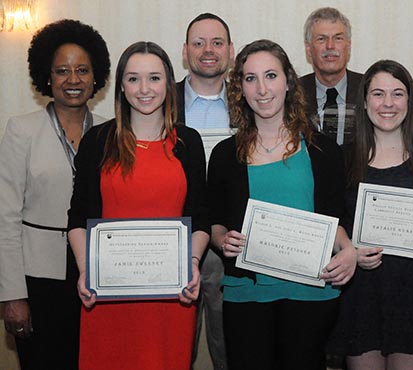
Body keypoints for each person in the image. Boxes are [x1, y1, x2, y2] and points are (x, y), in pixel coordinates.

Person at [207, 39, 357, 370]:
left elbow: (336, 221)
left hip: (311, 293)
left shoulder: (324, 151)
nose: (262, 88)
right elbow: (215, 223)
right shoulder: (223, 156)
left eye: (271, 75)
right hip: (246, 293)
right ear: (240, 90)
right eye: (250, 78)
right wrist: (222, 240)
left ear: (289, 82)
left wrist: (348, 251)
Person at [67, 41, 210, 370]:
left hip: (172, 295)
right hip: (107, 293)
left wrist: (191, 263)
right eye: (133, 79)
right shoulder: (98, 141)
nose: (144, 89)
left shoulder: (189, 143)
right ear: (121, 85)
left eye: (154, 78)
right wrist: (86, 270)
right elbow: (78, 216)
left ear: (168, 83)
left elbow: (200, 218)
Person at [326, 60, 413, 370]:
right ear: (364, 101)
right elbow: (332, 218)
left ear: (409, 101)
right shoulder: (344, 157)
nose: (388, 103)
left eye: (397, 94)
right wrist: (349, 250)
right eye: (378, 94)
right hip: (362, 289)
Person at [0, 19, 110, 370]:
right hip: (38, 279)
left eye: (82, 70)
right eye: (62, 71)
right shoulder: (22, 130)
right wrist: (12, 295)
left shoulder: (112, 132)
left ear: (96, 77)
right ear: (46, 76)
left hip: (98, 274)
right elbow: (6, 217)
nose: (73, 80)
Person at [176, 12, 234, 370]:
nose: (207, 50)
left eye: (216, 43)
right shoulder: (158, 101)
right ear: (185, 52)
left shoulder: (253, 101)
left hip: (232, 244)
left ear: (230, 50)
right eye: (198, 43)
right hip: (175, 242)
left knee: (231, 348)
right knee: (173, 349)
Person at [301, 7, 363, 145]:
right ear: (309, 49)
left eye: (338, 38)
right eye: (321, 39)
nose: (330, 46)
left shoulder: (369, 89)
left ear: (349, 46)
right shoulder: (292, 94)